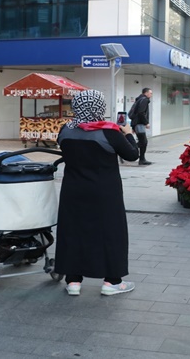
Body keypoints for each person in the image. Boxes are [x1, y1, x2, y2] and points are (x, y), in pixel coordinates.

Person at [54, 89, 140, 296]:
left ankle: (73, 281)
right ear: (99, 107)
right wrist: (128, 134)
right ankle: (112, 282)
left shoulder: (65, 130)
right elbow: (132, 155)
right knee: (110, 233)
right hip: (104, 193)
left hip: (73, 191)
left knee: (72, 232)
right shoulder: (109, 132)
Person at [129, 87, 153, 165]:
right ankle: (129, 149)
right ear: (145, 93)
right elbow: (141, 112)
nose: (151, 95)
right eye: (150, 93)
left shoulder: (139, 99)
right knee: (143, 141)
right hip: (139, 123)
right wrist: (146, 123)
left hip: (137, 123)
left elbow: (135, 113)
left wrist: (133, 126)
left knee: (143, 141)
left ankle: (142, 159)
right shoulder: (144, 100)